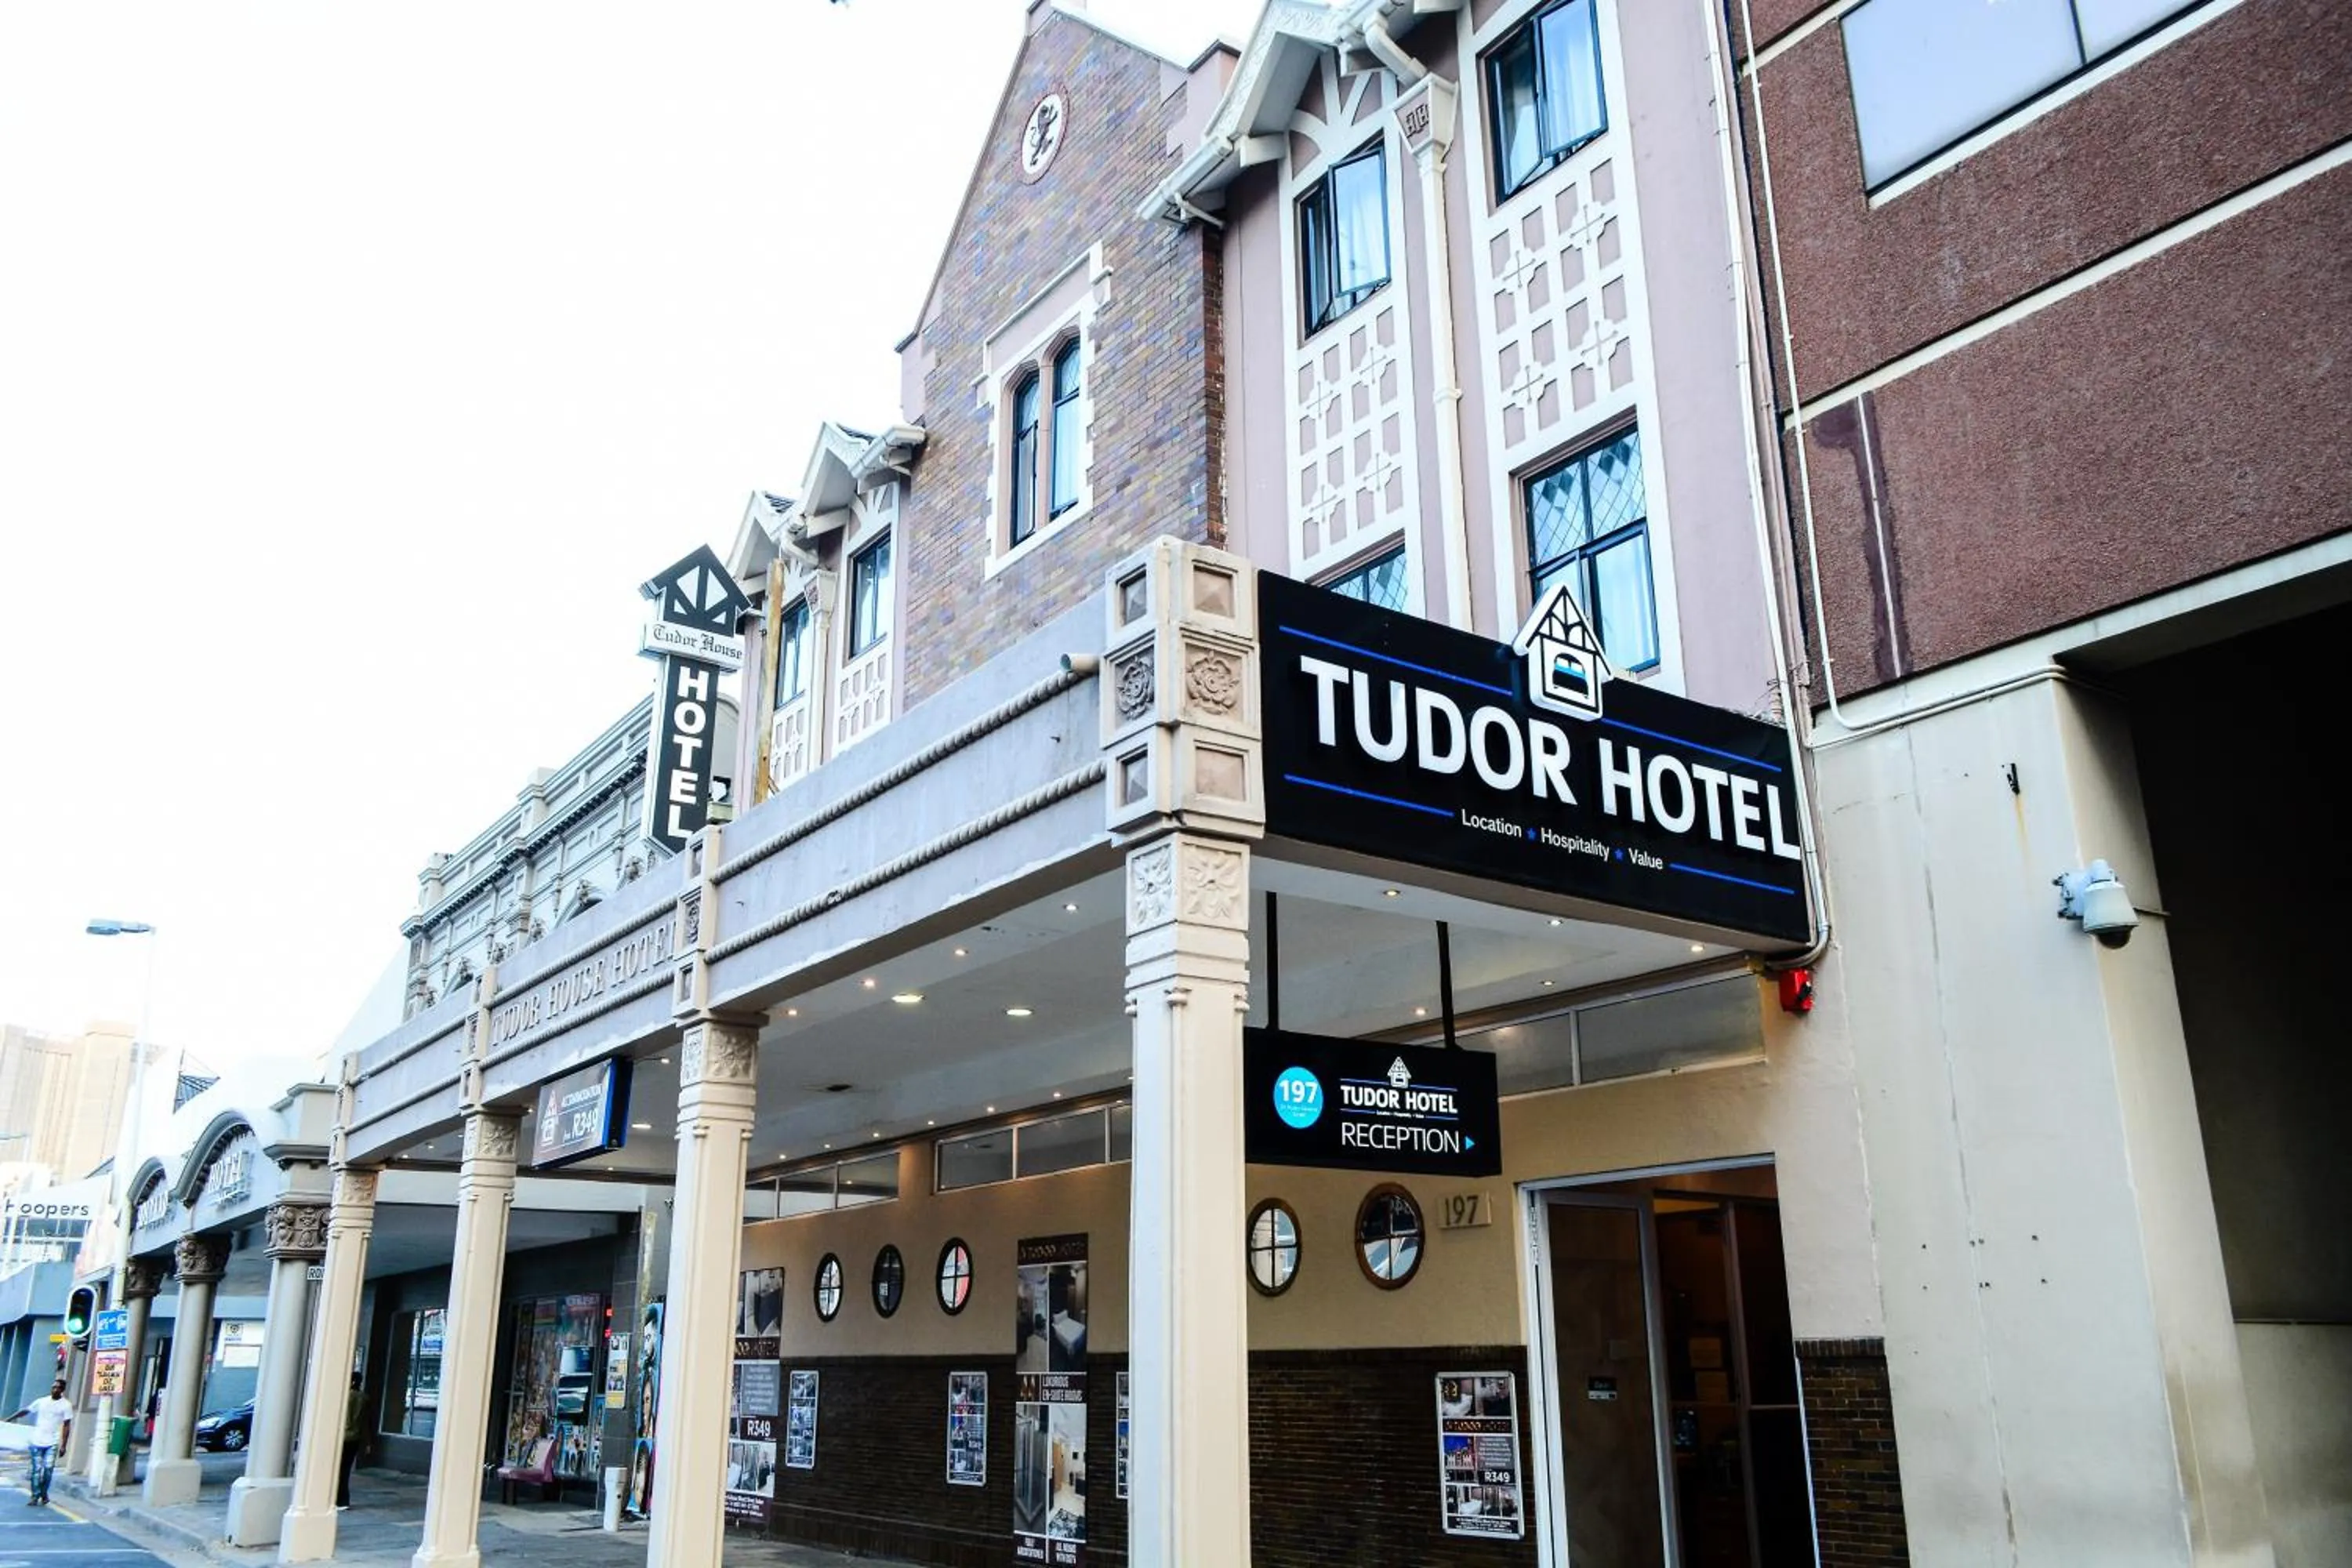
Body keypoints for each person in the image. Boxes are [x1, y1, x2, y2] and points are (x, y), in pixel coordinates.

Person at [24, 1377, 73, 1507]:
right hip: (36, 1441)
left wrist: (64, 1445)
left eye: (58, 1388)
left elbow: (67, 1425)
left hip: (52, 1442)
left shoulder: (66, 1405)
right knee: (36, 1470)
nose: (55, 1390)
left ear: (62, 1390)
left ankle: (44, 1493)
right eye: (54, 1387)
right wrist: (10, 1419)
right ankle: (35, 1496)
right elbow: (27, 1410)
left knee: (48, 1470)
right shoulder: (42, 1401)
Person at [336, 1373, 365, 1511]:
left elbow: (343, 1419)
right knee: (345, 1469)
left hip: (343, 1437)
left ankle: (338, 1500)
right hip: (356, 1438)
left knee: (338, 1469)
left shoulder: (346, 1397)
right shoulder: (364, 1398)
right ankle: (343, 1500)